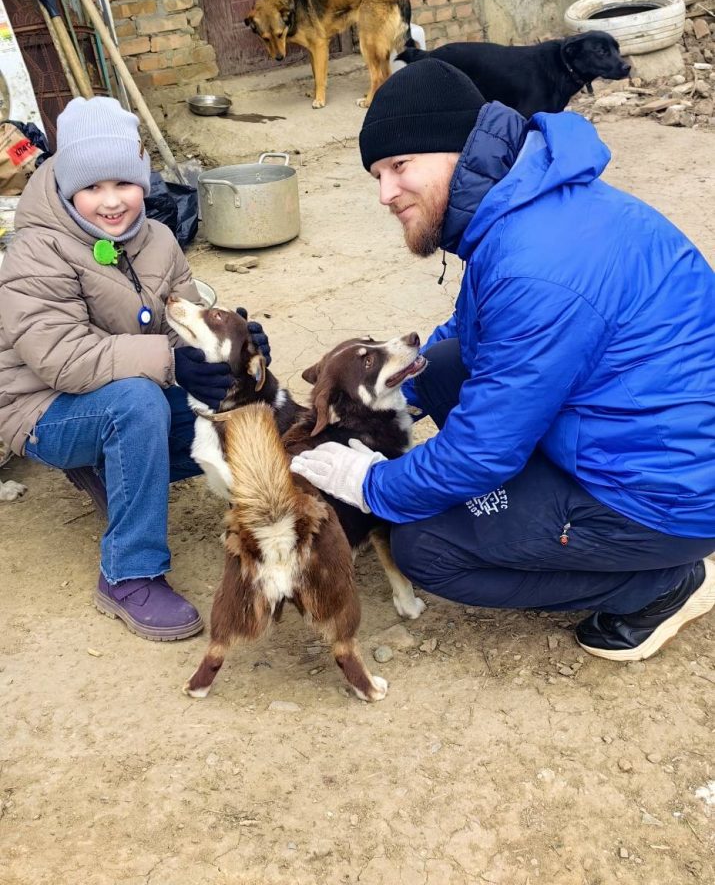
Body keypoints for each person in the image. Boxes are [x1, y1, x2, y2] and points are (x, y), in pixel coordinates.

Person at [291, 58, 715, 662]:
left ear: (456, 150)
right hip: (633, 425)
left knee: (424, 546)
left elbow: (483, 450)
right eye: (376, 175)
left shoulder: (537, 265)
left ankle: (660, 585)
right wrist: (386, 391)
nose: (385, 194)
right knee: (436, 364)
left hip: (663, 491)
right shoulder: (521, 205)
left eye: (399, 166)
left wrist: (372, 483)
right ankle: (555, 513)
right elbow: (472, 329)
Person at [0, 97, 269, 642]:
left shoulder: (158, 239)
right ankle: (129, 571)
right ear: (66, 184)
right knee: (139, 406)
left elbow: (182, 328)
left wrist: (229, 347)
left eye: (123, 182)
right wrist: (171, 363)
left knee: (224, 398)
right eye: (92, 186)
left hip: (118, 388)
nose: (111, 202)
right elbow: (63, 358)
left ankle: (116, 471)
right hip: (41, 407)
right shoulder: (34, 250)